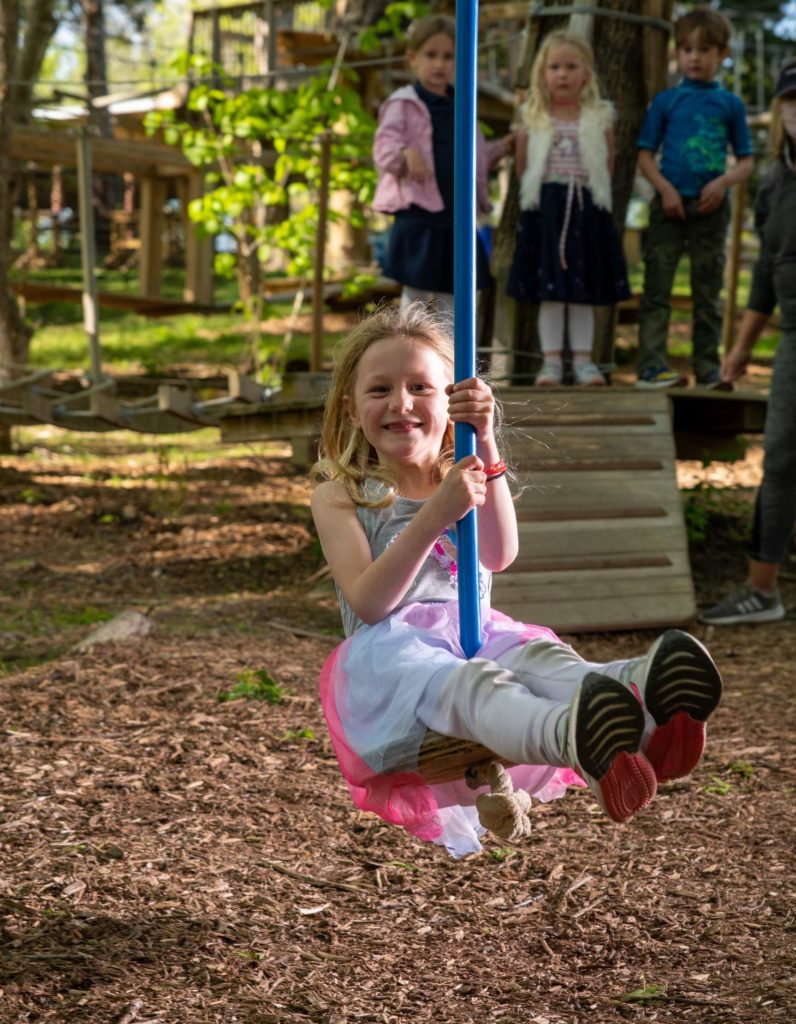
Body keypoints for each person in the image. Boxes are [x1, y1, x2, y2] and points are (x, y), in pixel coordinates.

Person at [311, 303, 723, 857]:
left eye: (420, 387)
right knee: (479, 687)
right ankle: (573, 737)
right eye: (380, 390)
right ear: (351, 407)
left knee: (546, 661)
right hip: (397, 662)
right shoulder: (343, 493)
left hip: (477, 630)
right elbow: (368, 601)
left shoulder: (467, 471)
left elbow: (501, 554)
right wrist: (437, 513)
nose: (401, 403)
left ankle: (647, 701)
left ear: (450, 401)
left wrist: (485, 441)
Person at [700, 58, 796, 626]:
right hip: (792, 338)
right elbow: (766, 276)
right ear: (781, 112)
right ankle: (762, 589)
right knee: (781, 456)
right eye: (791, 101)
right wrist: (736, 355)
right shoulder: (773, 182)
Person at [635, 6, 754, 389]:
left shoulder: (730, 104)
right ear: (677, 54)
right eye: (686, 50)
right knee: (658, 288)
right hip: (668, 206)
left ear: (722, 54)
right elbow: (645, 155)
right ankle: (652, 367)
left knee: (708, 291)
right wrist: (665, 189)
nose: (694, 58)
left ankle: (708, 369)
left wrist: (722, 183)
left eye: (704, 50)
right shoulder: (667, 101)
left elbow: (747, 162)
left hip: (711, 208)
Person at [506, 31, 630, 387]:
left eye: (571, 66)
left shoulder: (598, 116)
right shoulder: (533, 116)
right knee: (551, 290)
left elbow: (607, 162)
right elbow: (522, 166)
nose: (562, 74)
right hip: (546, 211)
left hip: (585, 212)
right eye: (555, 67)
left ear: (587, 74)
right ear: (542, 74)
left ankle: (584, 362)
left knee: (582, 291)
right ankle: (551, 365)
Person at [372, 15, 513, 318]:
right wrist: (406, 152)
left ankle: (451, 361)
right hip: (421, 217)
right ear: (413, 58)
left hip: (457, 218)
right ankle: (411, 360)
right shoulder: (404, 103)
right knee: (417, 297)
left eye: (448, 57)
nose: (440, 64)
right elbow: (384, 149)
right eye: (431, 55)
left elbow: (476, 160)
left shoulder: (463, 105)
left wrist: (502, 148)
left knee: (458, 296)